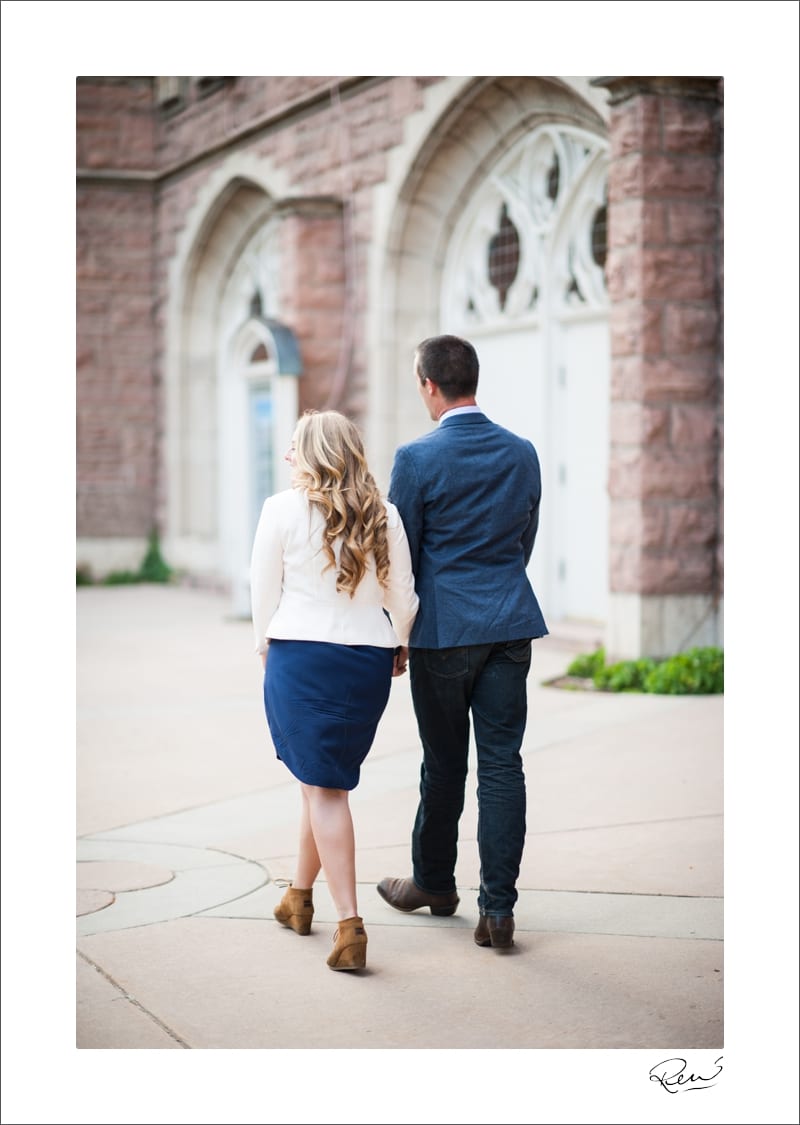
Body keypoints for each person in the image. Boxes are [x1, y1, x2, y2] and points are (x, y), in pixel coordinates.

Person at [377, 334, 548, 950]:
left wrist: (397, 634)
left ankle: (433, 883)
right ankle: (497, 912)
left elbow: (402, 558)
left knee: (444, 764)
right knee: (503, 766)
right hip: (508, 624)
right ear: (473, 379)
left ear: (428, 384)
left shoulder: (416, 459)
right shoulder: (521, 452)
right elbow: (523, 539)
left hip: (443, 633)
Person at [250, 409, 418, 971]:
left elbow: (261, 591)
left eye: (295, 445)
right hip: (365, 660)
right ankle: (298, 897)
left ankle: (349, 926)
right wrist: (400, 640)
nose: (287, 455)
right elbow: (404, 593)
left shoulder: (280, 509)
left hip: (300, 656)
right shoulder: (384, 512)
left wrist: (263, 646)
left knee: (325, 790)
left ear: (314, 451)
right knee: (318, 777)